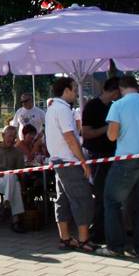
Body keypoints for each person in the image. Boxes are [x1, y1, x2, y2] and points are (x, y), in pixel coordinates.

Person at [96, 76, 139, 258]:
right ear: (136, 86)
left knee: (112, 201)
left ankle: (115, 246)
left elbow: (111, 136)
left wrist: (123, 134)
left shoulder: (118, 105)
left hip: (125, 159)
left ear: (120, 88)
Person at [44, 77, 94, 252]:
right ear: (66, 90)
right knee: (82, 199)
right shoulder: (63, 109)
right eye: (74, 89)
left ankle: (65, 238)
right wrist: (83, 161)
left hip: (58, 161)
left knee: (62, 200)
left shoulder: (51, 109)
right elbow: (70, 137)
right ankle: (83, 240)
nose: (76, 92)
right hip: (69, 161)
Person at [81, 77, 119, 243]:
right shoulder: (92, 106)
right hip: (97, 157)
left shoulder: (114, 106)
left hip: (114, 156)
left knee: (112, 196)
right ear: (114, 90)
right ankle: (98, 232)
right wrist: (108, 128)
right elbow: (86, 133)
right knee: (101, 195)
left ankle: (112, 229)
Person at [0, 125, 27, 233]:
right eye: (9, 136)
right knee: (11, 177)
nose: (11, 139)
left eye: (14, 137)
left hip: (9, 182)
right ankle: (15, 219)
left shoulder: (17, 152)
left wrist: (23, 186)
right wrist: (2, 174)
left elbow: (20, 172)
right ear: (3, 136)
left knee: (13, 180)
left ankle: (9, 206)